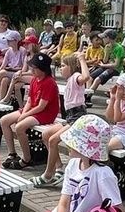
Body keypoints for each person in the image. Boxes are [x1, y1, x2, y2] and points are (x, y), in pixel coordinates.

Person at [30, 54, 89, 188]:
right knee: (46, 135)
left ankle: (48, 175)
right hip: (70, 117)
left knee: (53, 140)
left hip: (78, 118)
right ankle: (59, 168)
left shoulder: (75, 77)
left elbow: (86, 77)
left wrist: (81, 59)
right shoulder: (69, 80)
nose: (60, 68)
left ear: (72, 67)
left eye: (63, 65)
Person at [0, 53, 59, 168]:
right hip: (34, 110)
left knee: (19, 127)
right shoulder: (34, 80)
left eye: (35, 68)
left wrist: (25, 115)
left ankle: (26, 158)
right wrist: (24, 113)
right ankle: (12, 153)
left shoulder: (49, 82)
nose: (32, 70)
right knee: (4, 121)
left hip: (45, 113)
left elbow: (42, 106)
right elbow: (30, 101)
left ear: (43, 69)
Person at [0, 32, 26, 103]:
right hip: (9, 73)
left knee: (2, 73)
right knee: (4, 80)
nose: (7, 42)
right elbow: (2, 66)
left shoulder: (22, 51)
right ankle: (2, 101)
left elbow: (24, 68)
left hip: (18, 73)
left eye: (9, 40)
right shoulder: (9, 51)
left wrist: (14, 69)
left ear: (16, 41)